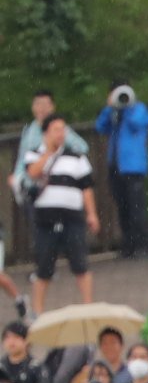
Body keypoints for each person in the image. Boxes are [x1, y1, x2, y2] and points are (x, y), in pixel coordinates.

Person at [24, 115, 98, 317]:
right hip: (45, 219)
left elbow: (87, 187)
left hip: (73, 217)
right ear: (46, 133)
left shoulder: (77, 157)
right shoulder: (33, 154)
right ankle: (38, 310)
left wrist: (91, 214)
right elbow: (32, 173)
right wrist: (48, 153)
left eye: (63, 130)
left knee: (80, 262)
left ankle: (87, 306)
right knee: (44, 265)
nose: (61, 134)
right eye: (56, 130)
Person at [96, 83, 148, 258]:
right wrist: (109, 109)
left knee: (137, 208)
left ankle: (142, 245)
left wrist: (126, 109)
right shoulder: (112, 112)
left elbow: (138, 123)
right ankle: (128, 244)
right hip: (115, 165)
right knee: (123, 207)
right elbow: (100, 127)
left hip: (133, 166)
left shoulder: (139, 109)